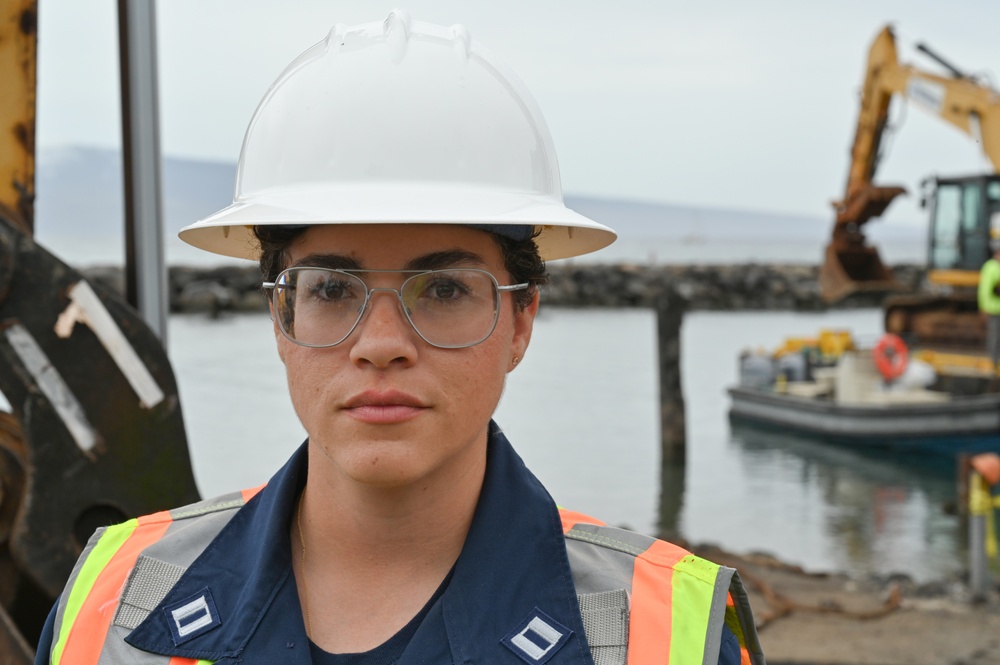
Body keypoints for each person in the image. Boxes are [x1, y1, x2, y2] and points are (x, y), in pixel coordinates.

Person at [36, 12, 764, 665]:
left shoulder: (663, 637)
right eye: (330, 289)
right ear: (280, 320)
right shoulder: (110, 601)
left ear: (521, 320)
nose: (381, 343)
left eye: (443, 290)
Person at [979, 243, 1000, 377]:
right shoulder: (990, 267)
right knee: (994, 337)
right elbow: (985, 290)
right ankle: (994, 363)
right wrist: (984, 308)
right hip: (994, 309)